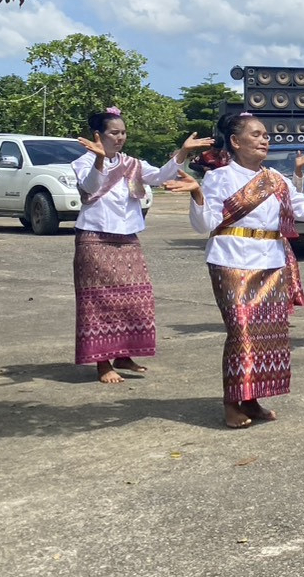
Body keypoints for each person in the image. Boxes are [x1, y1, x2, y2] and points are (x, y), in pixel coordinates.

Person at [171, 112, 304, 428]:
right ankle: (233, 401)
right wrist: (197, 193)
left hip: (271, 262)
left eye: (265, 134)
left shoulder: (278, 179)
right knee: (242, 332)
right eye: (256, 134)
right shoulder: (219, 178)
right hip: (231, 260)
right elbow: (204, 225)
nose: (263, 139)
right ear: (235, 141)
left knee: (266, 336)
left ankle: (252, 398)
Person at [71, 108, 212, 383]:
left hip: (128, 238)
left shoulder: (133, 163)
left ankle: (124, 354)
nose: (120, 137)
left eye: (123, 132)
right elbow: (90, 186)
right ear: (98, 135)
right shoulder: (83, 162)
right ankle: (102, 363)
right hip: (95, 237)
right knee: (99, 302)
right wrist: (100, 160)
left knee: (137, 297)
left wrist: (182, 152)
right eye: (114, 133)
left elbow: (159, 176)